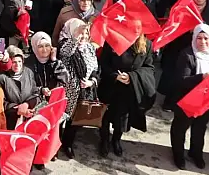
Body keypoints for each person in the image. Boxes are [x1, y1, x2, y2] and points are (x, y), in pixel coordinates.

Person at [171, 23, 209, 169]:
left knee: (200, 127)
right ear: (194, 39)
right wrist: (201, 77)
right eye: (199, 38)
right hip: (188, 100)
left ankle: (196, 153)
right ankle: (178, 154)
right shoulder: (187, 54)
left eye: (206, 38)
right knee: (180, 128)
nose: (203, 42)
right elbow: (181, 80)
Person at [98, 35, 156, 157]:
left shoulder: (147, 44)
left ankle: (116, 140)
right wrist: (115, 76)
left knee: (122, 118)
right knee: (105, 116)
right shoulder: (112, 40)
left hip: (129, 88)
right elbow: (103, 63)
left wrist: (131, 77)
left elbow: (149, 68)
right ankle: (104, 140)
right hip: (110, 86)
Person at [57, 18, 99, 158]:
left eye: (86, 33)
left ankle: (68, 143)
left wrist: (91, 81)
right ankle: (55, 144)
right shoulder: (66, 44)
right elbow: (66, 53)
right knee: (60, 119)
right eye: (80, 32)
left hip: (84, 91)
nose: (83, 36)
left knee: (75, 121)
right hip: (68, 91)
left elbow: (96, 69)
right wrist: (75, 37)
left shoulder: (90, 48)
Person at [0, 46, 40, 126]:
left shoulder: (28, 72)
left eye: (19, 61)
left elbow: (35, 92)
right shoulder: (0, 76)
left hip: (28, 116)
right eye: (14, 62)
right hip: (10, 119)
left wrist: (27, 105)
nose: (17, 65)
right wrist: (18, 109)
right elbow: (0, 101)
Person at [25, 31, 69, 100]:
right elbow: (27, 86)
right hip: (35, 101)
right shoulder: (28, 63)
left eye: (47, 45)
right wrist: (41, 90)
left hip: (54, 100)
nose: (45, 50)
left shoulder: (55, 61)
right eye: (40, 46)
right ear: (35, 47)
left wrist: (54, 61)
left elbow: (65, 79)